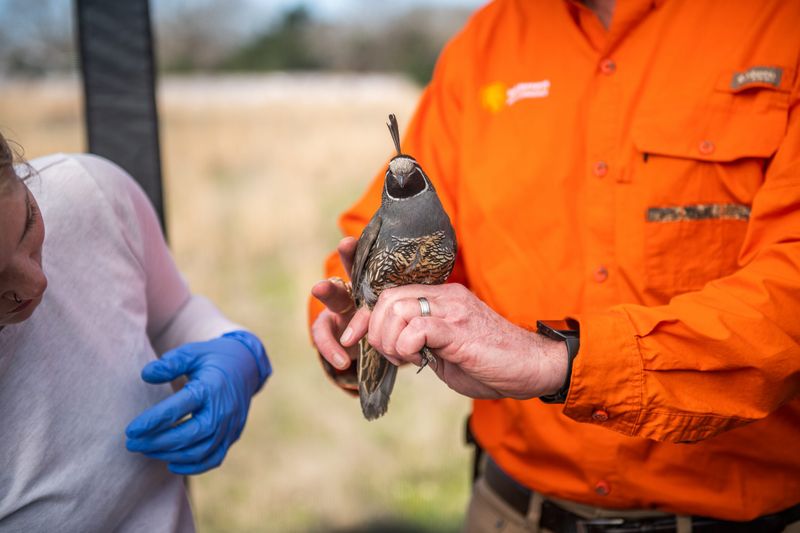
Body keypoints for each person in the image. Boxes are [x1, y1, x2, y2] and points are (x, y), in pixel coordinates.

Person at [309, 0, 800, 531]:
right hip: (512, 512)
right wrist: (355, 323)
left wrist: (558, 361)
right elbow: (386, 224)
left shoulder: (780, 26)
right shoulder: (487, 43)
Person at [0, 135, 271, 532]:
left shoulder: (89, 193)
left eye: (29, 223)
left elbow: (171, 314)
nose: (36, 284)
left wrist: (231, 347)